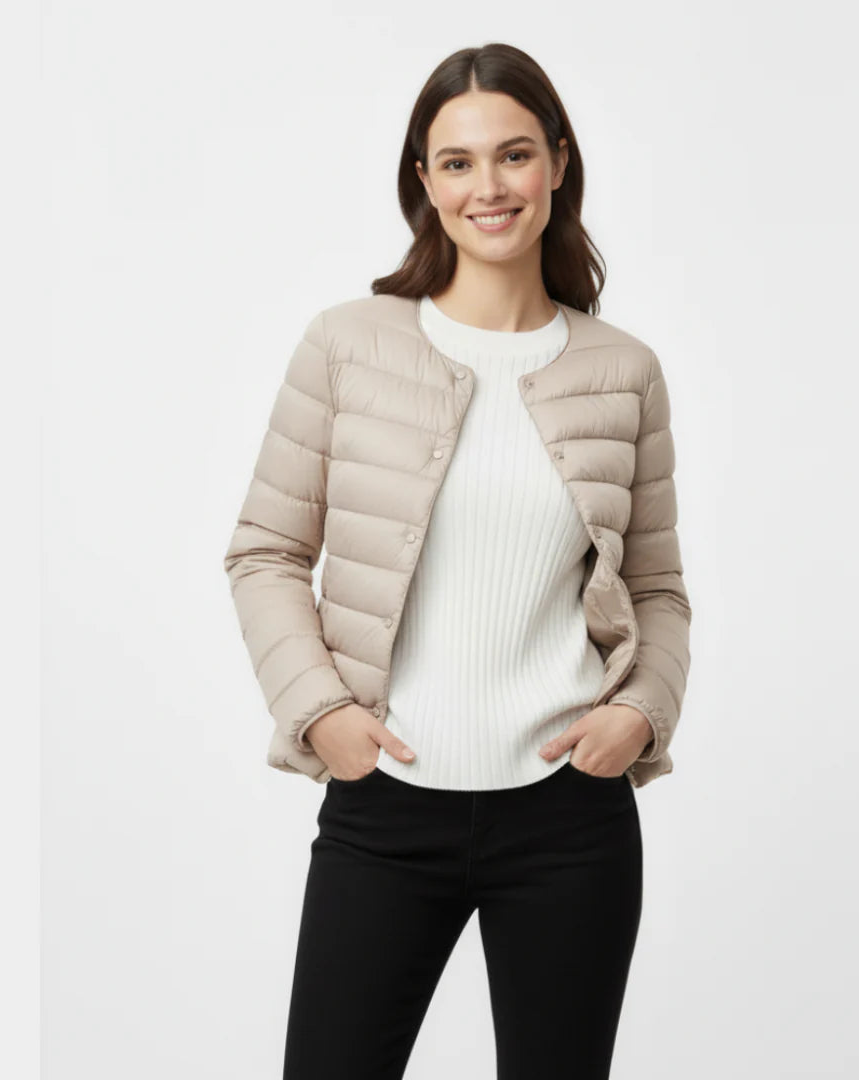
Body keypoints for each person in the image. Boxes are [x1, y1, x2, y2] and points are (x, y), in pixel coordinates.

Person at [223, 42, 693, 1080]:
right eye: (458, 162)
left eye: (514, 154)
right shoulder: (346, 345)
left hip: (571, 819)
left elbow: (657, 586)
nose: (490, 186)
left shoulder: (624, 371)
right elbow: (266, 551)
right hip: (384, 809)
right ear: (425, 183)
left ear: (558, 163)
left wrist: (640, 712)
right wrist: (320, 712)